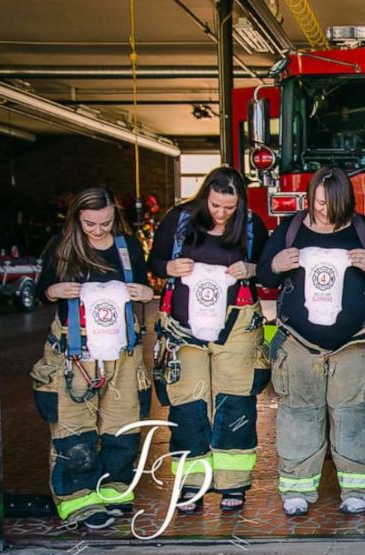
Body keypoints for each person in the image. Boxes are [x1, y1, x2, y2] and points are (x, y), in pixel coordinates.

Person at [257, 167, 365, 516]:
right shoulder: (290, 229)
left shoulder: (364, 230)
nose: (323, 211)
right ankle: (297, 491)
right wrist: (275, 263)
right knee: (299, 415)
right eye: (318, 203)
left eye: (330, 205)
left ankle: (358, 490)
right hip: (298, 343)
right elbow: (262, 275)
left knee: (355, 416)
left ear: (344, 201)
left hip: (356, 344)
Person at [30, 187, 153, 530]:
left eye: (105, 223)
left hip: (121, 353)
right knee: (73, 425)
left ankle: (113, 490)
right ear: (76, 219)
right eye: (90, 224)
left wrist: (145, 293)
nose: (98, 230)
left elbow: (143, 286)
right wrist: (54, 290)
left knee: (122, 423)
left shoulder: (127, 248)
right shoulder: (62, 246)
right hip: (74, 353)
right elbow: (43, 289)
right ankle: (79, 499)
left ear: (116, 216)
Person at [149, 166, 269, 514]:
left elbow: (270, 267)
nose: (221, 213)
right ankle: (191, 484)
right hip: (183, 329)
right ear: (205, 197)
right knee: (187, 404)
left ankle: (234, 485)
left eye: (229, 207)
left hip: (237, 326)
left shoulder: (250, 225)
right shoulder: (180, 220)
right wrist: (169, 268)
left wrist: (252, 269)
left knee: (236, 401)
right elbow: (154, 261)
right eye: (216, 205)